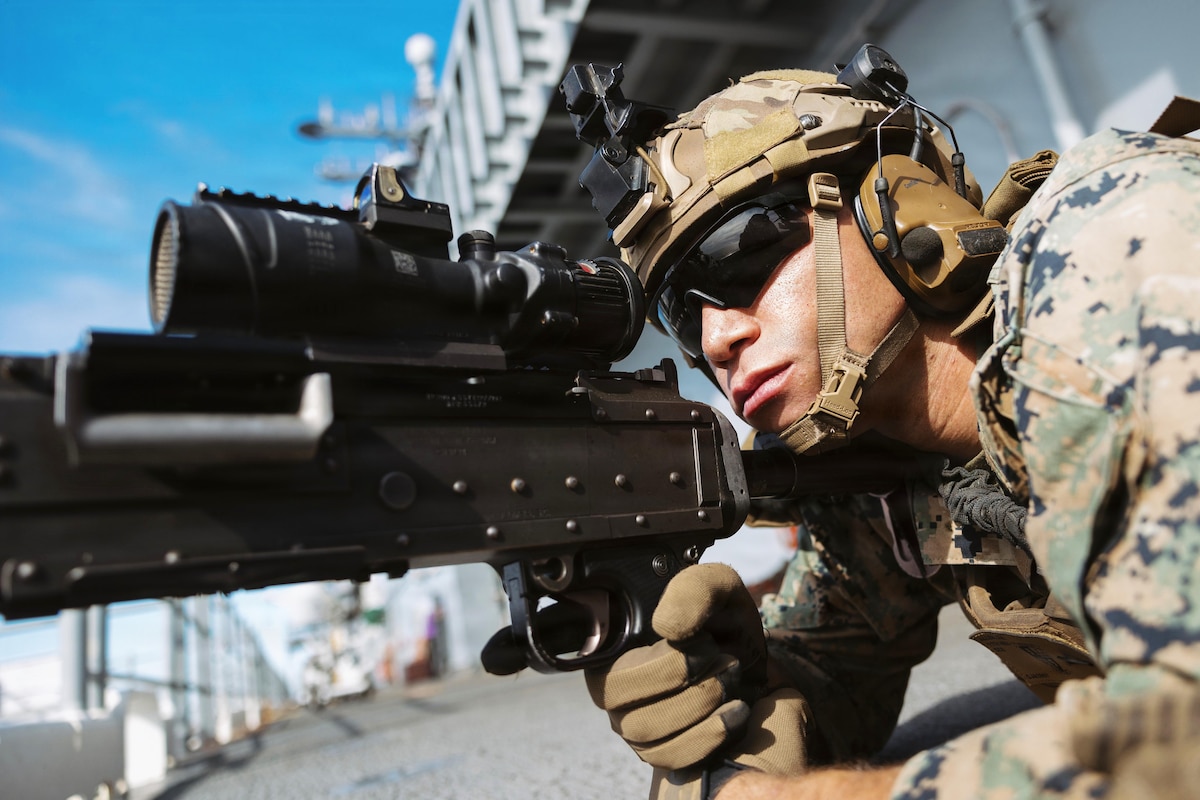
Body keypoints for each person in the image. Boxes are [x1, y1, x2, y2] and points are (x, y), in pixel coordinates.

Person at [506, 46, 1200, 799]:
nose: (716, 340)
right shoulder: (879, 476)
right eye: (681, 313)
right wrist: (744, 693)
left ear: (894, 205)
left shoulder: (1119, 237)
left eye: (736, 255)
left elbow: (1173, 743)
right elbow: (841, 670)